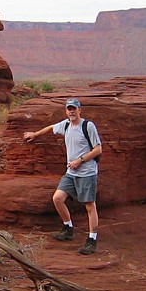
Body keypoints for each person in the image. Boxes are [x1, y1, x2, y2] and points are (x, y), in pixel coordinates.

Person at [23, 98, 102, 254]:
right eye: (69, 109)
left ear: (80, 110)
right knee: (57, 198)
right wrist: (35, 134)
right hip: (71, 173)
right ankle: (68, 228)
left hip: (86, 173)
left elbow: (98, 149)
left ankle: (92, 240)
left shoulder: (87, 126)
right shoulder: (65, 125)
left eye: (74, 109)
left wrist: (79, 161)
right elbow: (51, 127)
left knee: (89, 206)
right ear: (66, 111)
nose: (72, 111)